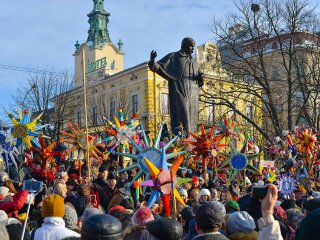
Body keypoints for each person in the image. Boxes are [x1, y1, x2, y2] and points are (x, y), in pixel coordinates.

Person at [148, 37, 204, 134]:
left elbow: (199, 82)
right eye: (191, 46)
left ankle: (191, 140)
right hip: (180, 89)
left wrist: (201, 78)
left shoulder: (195, 62)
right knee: (183, 114)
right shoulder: (174, 56)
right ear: (184, 45)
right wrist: (152, 61)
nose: (192, 48)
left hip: (193, 92)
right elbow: (158, 67)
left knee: (192, 118)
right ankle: (182, 140)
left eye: (193, 46)